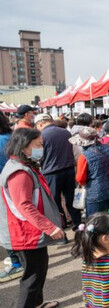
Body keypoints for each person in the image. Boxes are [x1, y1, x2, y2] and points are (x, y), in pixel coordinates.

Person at [0, 128, 65, 308]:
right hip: (24, 234)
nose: (40, 149)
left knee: (38, 271)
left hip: (28, 232)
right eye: (38, 145)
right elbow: (25, 206)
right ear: (23, 146)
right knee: (32, 277)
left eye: (42, 145)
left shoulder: (24, 166)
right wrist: (49, 227)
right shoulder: (20, 172)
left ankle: (37, 303)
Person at [35, 113, 81, 235]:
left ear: (40, 124)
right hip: (69, 170)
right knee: (71, 200)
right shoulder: (65, 132)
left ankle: (61, 231)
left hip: (51, 173)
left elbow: (36, 157)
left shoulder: (40, 136)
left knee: (55, 204)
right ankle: (79, 226)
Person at [0, 112, 23, 283]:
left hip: (4, 187)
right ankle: (19, 259)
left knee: (5, 227)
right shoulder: (12, 136)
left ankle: (16, 262)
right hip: (16, 184)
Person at [71, 127, 109, 217]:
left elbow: (80, 178)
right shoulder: (108, 149)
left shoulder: (84, 156)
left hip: (93, 193)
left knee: (94, 222)